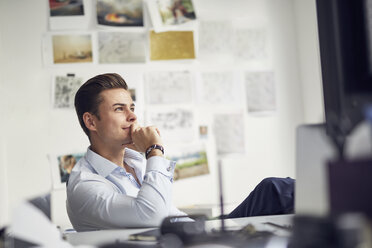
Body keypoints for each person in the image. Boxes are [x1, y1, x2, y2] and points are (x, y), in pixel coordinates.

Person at [67, 73, 294, 232]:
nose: (133, 116)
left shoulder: (134, 159)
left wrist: (147, 154)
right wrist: (154, 150)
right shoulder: (85, 185)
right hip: (183, 241)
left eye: (132, 108)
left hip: (197, 231)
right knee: (275, 191)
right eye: (119, 109)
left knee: (272, 189)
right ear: (91, 121)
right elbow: (152, 214)